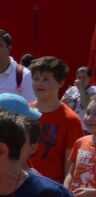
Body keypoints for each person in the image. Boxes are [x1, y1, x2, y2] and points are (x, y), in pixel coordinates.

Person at [26, 56, 84, 184]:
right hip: (21, 186)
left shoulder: (71, 120)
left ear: (61, 82)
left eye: (46, 79)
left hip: (51, 190)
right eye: (36, 79)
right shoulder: (24, 112)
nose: (39, 83)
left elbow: (71, 166)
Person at [62, 66, 95, 133]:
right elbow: (61, 103)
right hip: (69, 124)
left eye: (84, 77)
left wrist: (80, 89)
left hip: (84, 128)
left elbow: (86, 107)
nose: (81, 80)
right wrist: (64, 102)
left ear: (90, 77)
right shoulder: (72, 89)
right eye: (79, 77)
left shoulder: (93, 90)